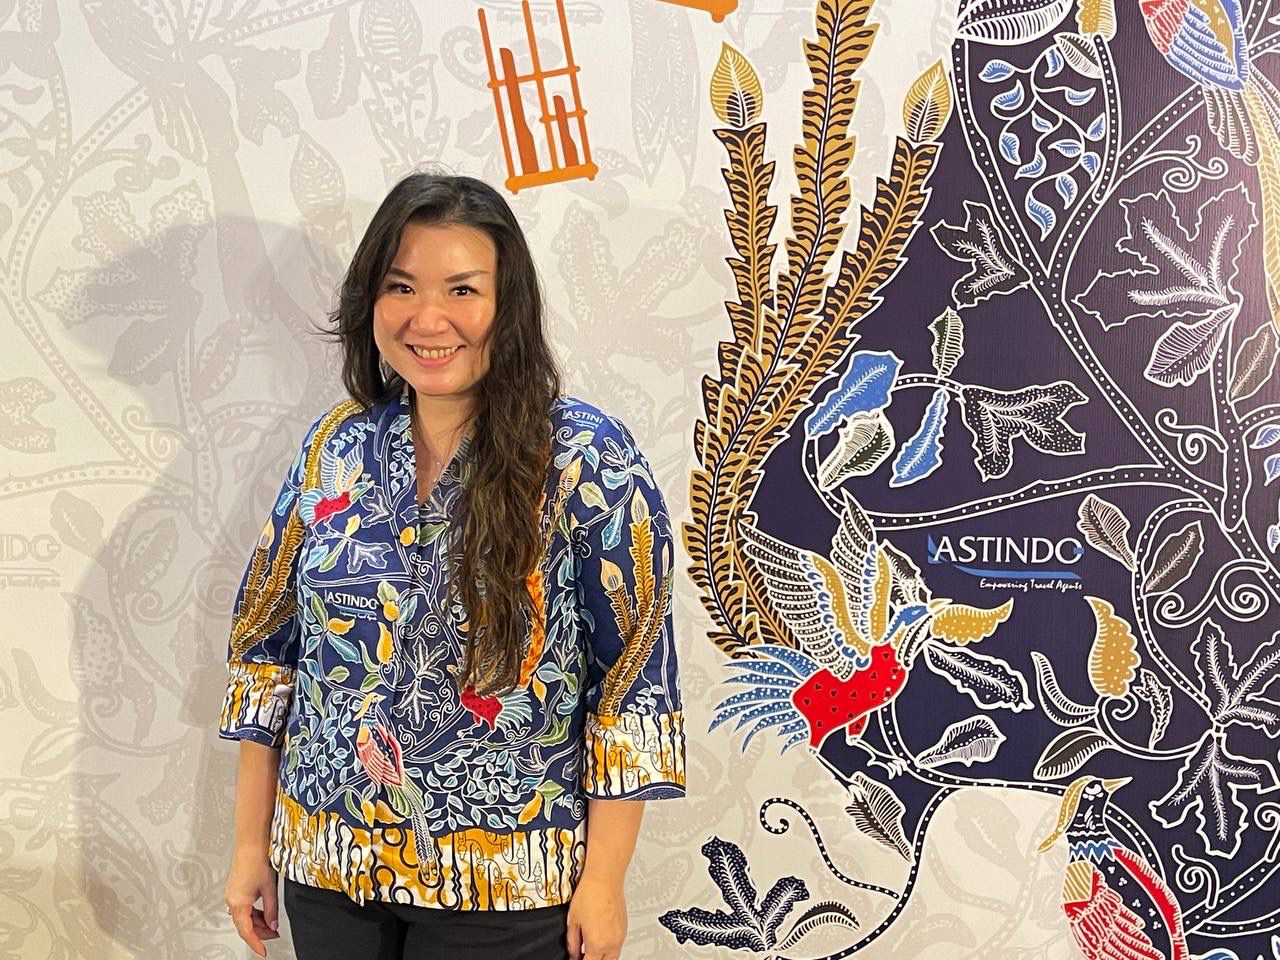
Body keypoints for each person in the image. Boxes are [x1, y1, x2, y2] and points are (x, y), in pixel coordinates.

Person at [219, 173, 685, 960]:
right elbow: (267, 654)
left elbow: (632, 679)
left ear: (509, 304)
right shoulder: (335, 446)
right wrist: (247, 845)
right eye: (401, 286)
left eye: (462, 290)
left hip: (504, 881)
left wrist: (604, 882)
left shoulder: (584, 456)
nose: (427, 318)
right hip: (329, 865)